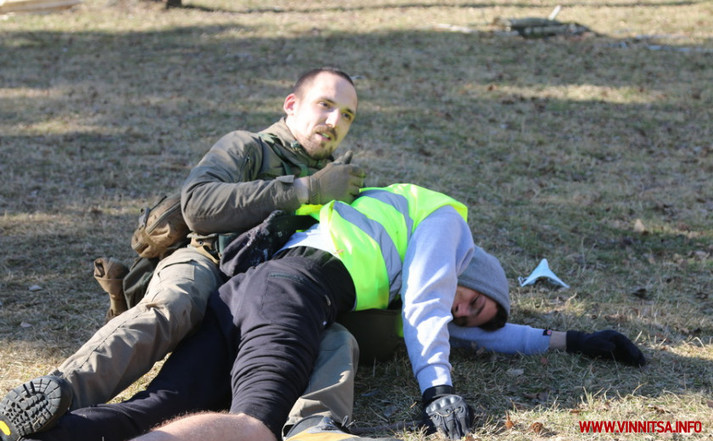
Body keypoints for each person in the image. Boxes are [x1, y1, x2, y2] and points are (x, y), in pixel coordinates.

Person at [11, 183, 645, 441]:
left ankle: (25, 432)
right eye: (472, 301)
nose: (462, 311)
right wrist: (438, 388)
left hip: (243, 293)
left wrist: (569, 340)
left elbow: (470, 327)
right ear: (469, 272)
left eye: (469, 318)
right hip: (293, 297)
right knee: (253, 429)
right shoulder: (446, 221)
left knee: (162, 405)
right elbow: (429, 307)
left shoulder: (388, 230)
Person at [0, 67, 367, 441]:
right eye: (325, 104)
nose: (334, 121)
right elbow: (198, 206)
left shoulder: (341, 178)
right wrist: (305, 190)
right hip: (207, 259)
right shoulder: (248, 147)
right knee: (176, 305)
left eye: (347, 115)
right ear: (292, 104)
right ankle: (57, 395)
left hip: (273, 295)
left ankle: (312, 428)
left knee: (334, 338)